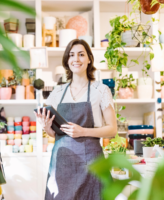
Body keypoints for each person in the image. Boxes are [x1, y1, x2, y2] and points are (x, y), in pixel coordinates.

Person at [34, 39, 117, 200]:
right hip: (62, 164)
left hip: (91, 163)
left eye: (81, 54)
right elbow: (55, 134)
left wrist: (83, 131)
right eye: (71, 55)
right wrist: (46, 127)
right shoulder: (57, 92)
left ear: (89, 59)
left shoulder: (100, 90)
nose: (76, 59)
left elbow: (112, 130)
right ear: (67, 60)